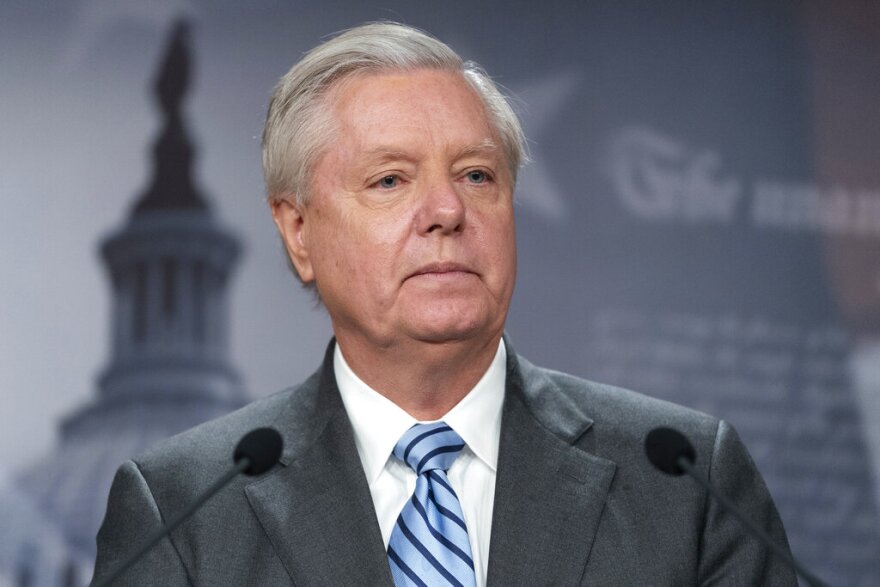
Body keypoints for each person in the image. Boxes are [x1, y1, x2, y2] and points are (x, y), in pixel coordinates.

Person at [93, 22, 796, 585]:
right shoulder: (184, 510)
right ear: (298, 229)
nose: (446, 210)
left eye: (477, 174)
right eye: (391, 179)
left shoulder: (685, 483)